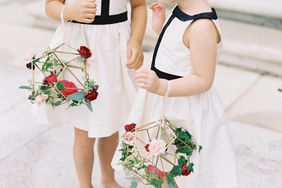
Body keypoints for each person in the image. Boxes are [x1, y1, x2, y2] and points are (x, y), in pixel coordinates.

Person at [116, 0, 238, 187]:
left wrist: (162, 87)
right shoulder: (182, 9)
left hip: (183, 108)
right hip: (167, 101)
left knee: (183, 169)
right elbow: (181, 54)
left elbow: (203, 78)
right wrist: (161, 28)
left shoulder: (202, 27)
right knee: (162, 163)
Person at [45, 0, 147, 188]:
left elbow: (139, 6)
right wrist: (69, 11)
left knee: (111, 123)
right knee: (83, 130)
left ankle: (108, 179)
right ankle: (85, 184)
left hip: (115, 50)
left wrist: (136, 41)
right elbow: (51, 5)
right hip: (80, 51)